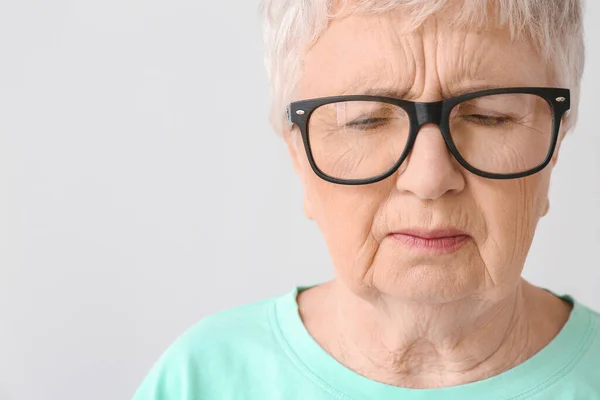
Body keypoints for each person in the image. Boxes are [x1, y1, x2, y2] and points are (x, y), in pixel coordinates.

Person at [133, 0, 600, 398]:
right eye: (366, 120)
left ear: (555, 145)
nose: (430, 177)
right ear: (297, 153)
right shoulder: (200, 381)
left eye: (488, 116)